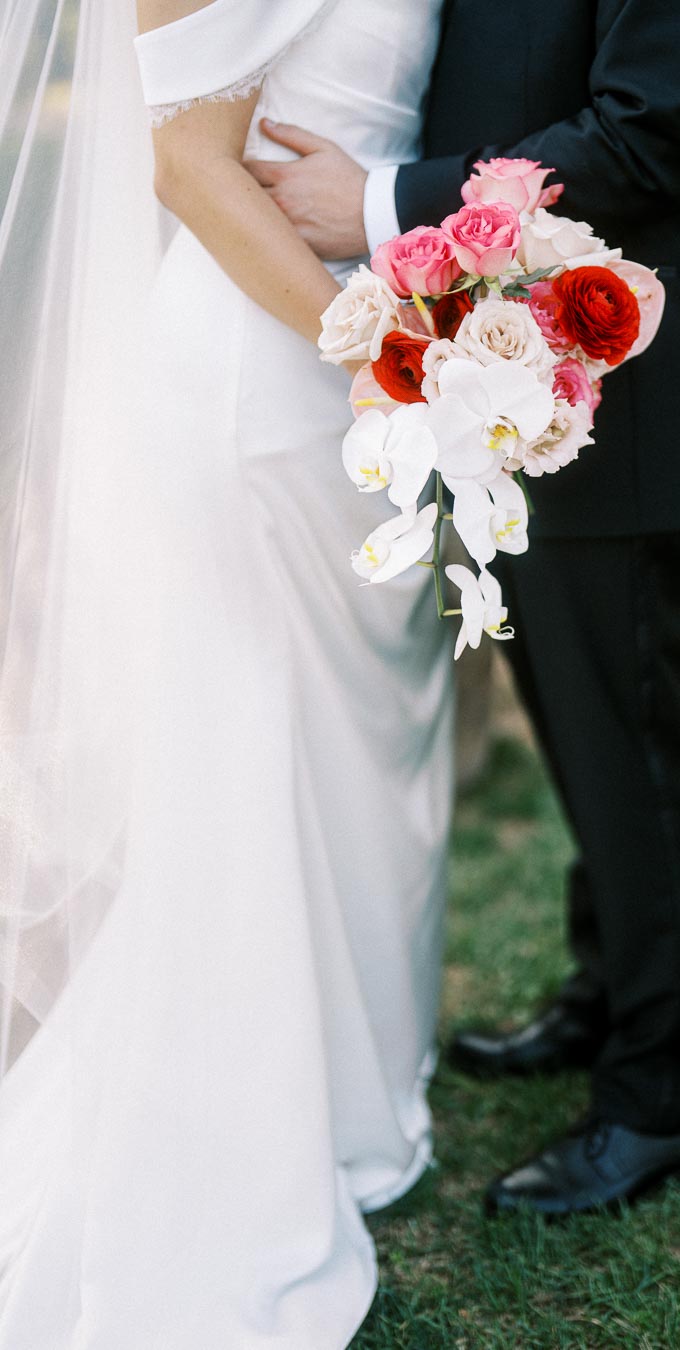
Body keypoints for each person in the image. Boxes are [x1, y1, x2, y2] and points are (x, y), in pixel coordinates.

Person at [246, 0, 680, 1217]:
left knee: (637, 749)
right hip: (529, 386)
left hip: (641, 400)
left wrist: (387, 204)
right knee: (585, 726)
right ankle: (610, 993)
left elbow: (646, 137)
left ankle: (665, 1103)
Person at [0, 2, 450, 1344]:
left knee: (353, 754)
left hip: (355, 375)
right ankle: (237, 1116)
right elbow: (188, 162)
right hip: (278, 370)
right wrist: (390, 363)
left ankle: (359, 1091)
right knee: (248, 767)